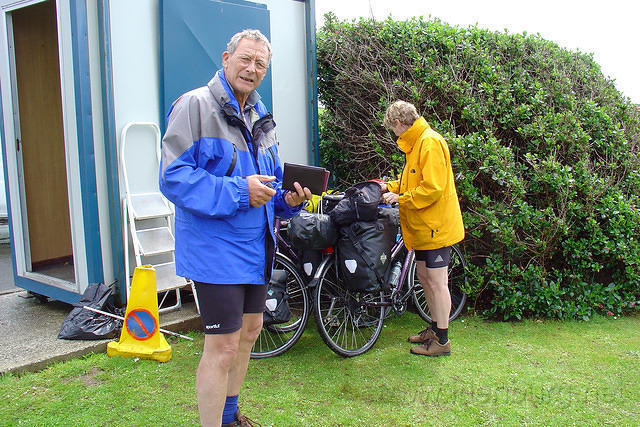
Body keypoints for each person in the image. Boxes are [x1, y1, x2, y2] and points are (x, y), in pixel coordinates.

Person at [159, 29, 311, 426]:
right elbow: (173, 177)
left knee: (249, 332)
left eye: (260, 63)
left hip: (256, 247)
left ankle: (229, 417)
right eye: (245, 59)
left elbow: (270, 187)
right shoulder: (194, 106)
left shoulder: (261, 115)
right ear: (226, 58)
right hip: (215, 250)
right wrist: (240, 193)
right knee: (223, 346)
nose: (252, 68)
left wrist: (287, 202)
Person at [380, 100, 465, 357]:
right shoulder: (416, 144)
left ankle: (442, 341)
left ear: (398, 123)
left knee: (438, 283)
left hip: (436, 227)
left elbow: (433, 188)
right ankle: (435, 329)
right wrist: (391, 186)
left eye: (392, 129)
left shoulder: (429, 142)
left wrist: (401, 198)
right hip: (424, 229)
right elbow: (412, 180)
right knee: (425, 278)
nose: (394, 135)